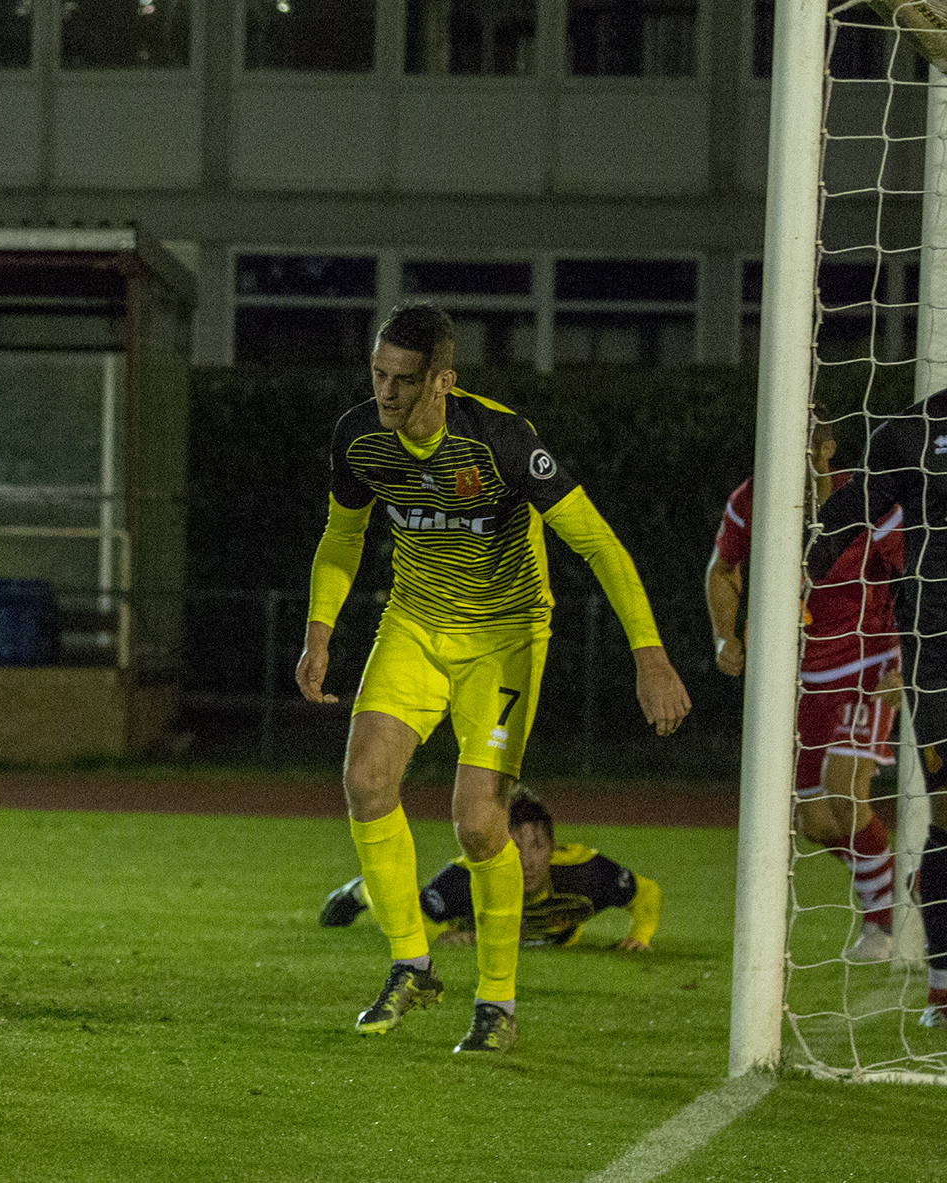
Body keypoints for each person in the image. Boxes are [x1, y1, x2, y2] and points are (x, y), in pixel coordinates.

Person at [295, 301, 691, 1054]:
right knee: (366, 781)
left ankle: (497, 1003)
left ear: (443, 380)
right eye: (378, 375)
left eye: (404, 380)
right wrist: (319, 635)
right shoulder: (360, 438)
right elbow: (342, 537)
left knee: (478, 822)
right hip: (412, 625)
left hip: (505, 638)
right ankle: (411, 962)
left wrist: (650, 654)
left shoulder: (501, 439)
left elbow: (600, 546)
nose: (386, 393)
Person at [708, 417, 904, 963]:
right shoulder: (750, 502)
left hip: (869, 657)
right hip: (798, 675)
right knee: (811, 820)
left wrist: (904, 661)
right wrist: (725, 636)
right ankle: (887, 877)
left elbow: (913, 575)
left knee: (845, 789)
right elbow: (723, 570)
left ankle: (882, 927)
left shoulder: (865, 501)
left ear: (824, 451)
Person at [808, 389, 947, 1027]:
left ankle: (891, 925)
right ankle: (941, 983)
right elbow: (854, 506)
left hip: (881, 662)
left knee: (846, 799)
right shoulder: (914, 431)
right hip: (917, 655)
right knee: (822, 817)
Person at [320, 787, 663, 951]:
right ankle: (361, 889)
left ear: (554, 848)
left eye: (538, 847)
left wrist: (641, 936)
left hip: (549, 939)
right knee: (396, 906)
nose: (527, 860)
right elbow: (413, 920)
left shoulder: (587, 871)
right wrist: (440, 936)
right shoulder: (466, 876)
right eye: (515, 848)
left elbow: (646, 892)